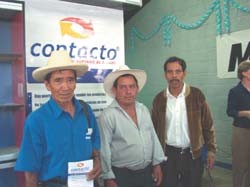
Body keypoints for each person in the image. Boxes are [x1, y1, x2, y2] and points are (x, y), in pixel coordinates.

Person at [15, 50, 101, 187]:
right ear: (48, 85)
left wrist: (97, 161)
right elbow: (30, 172)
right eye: (58, 80)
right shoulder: (36, 120)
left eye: (70, 80)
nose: (65, 87)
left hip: (88, 183)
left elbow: (94, 143)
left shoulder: (86, 111)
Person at [151, 56, 217, 187]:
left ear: (184, 73)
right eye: (170, 72)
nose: (174, 75)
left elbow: (208, 125)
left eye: (178, 71)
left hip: (192, 155)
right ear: (165, 75)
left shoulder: (197, 95)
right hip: (167, 155)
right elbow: (153, 130)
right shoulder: (159, 99)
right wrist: (155, 160)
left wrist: (211, 150)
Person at [98, 65, 166, 187]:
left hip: (146, 173)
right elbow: (104, 149)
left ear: (137, 89)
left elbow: (153, 136)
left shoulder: (143, 109)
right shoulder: (108, 115)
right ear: (115, 90)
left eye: (132, 86)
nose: (128, 91)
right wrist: (108, 177)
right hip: (122, 176)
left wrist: (157, 164)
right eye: (123, 87)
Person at [227, 60, 250, 187]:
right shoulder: (235, 91)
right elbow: (230, 111)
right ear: (245, 73)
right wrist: (246, 113)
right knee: (240, 165)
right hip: (241, 132)